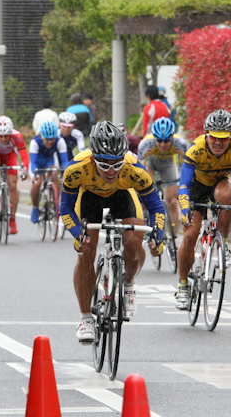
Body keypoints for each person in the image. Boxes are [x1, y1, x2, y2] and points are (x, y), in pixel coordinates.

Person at [60, 121, 165, 342]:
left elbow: (156, 207)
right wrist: (77, 234)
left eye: (117, 163)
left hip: (122, 195)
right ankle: (86, 318)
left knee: (135, 240)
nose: (111, 170)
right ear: (92, 158)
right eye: (104, 164)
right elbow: (66, 208)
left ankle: (128, 286)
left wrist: (159, 237)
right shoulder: (75, 169)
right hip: (89, 197)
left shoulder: (134, 169)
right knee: (86, 250)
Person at [175, 110, 231, 310]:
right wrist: (185, 210)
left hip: (220, 184)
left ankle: (223, 243)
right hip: (196, 187)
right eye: (214, 138)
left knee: (228, 195)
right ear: (206, 135)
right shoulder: (195, 150)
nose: (218, 143)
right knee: (190, 235)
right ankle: (183, 285)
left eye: (224, 139)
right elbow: (183, 185)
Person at [0, 115, 30, 235]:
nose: (3, 139)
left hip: (10, 157)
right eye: (0, 136)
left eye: (6, 136)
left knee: (13, 186)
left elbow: (24, 156)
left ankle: (12, 219)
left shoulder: (17, 136)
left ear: (10, 133)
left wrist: (24, 169)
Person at [138, 117, 188, 235]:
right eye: (159, 140)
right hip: (150, 162)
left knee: (172, 201)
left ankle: (172, 236)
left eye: (167, 141)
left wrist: (181, 182)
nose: (163, 144)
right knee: (146, 189)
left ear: (173, 138)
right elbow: (141, 171)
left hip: (167, 164)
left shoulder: (181, 144)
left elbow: (184, 168)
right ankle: (145, 219)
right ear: (154, 137)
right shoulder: (144, 144)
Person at [30, 121, 69, 224]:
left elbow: (65, 161)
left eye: (52, 139)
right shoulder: (35, 142)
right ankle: (35, 208)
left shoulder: (60, 141)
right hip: (37, 162)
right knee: (37, 183)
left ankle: (56, 202)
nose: (50, 142)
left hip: (50, 160)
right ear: (41, 137)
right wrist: (35, 174)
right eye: (47, 140)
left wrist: (66, 171)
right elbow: (33, 162)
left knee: (55, 174)